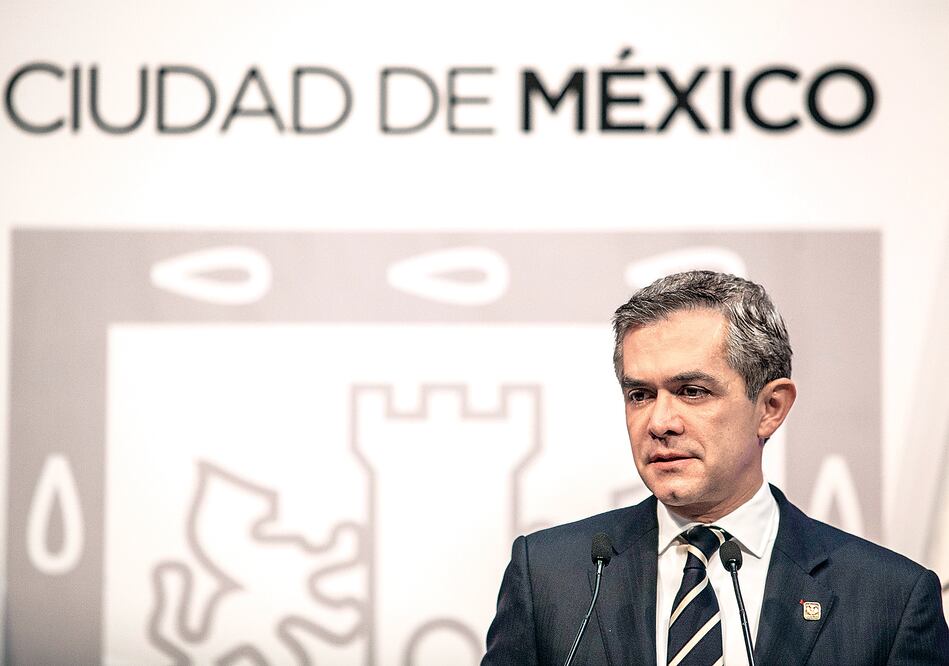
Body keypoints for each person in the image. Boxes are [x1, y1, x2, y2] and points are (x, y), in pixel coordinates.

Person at [482, 271, 949, 665]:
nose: (660, 423)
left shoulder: (890, 599)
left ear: (770, 407)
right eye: (640, 395)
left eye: (692, 391)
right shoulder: (549, 575)